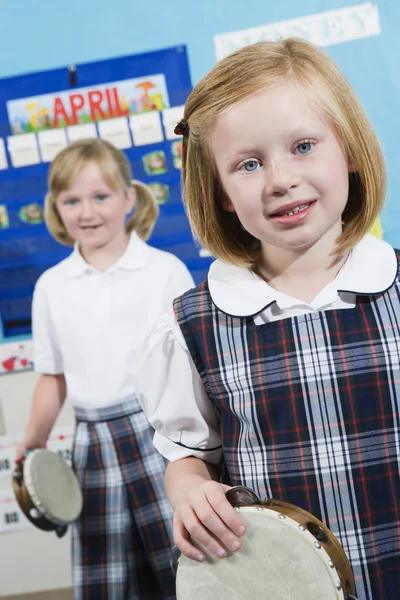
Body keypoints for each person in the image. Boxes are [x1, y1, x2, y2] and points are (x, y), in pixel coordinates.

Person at [136, 38, 400, 600]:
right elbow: (188, 454)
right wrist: (187, 490)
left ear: (349, 149)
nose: (280, 179)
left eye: (303, 146)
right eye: (249, 164)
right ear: (223, 193)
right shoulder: (194, 326)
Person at [16, 138, 194, 599]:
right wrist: (32, 442)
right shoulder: (51, 287)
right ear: (56, 208)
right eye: (71, 200)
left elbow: (191, 367)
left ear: (129, 198)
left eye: (100, 196)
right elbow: (53, 377)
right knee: (108, 578)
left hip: (161, 438)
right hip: (91, 443)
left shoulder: (166, 271)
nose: (87, 211)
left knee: (187, 568)